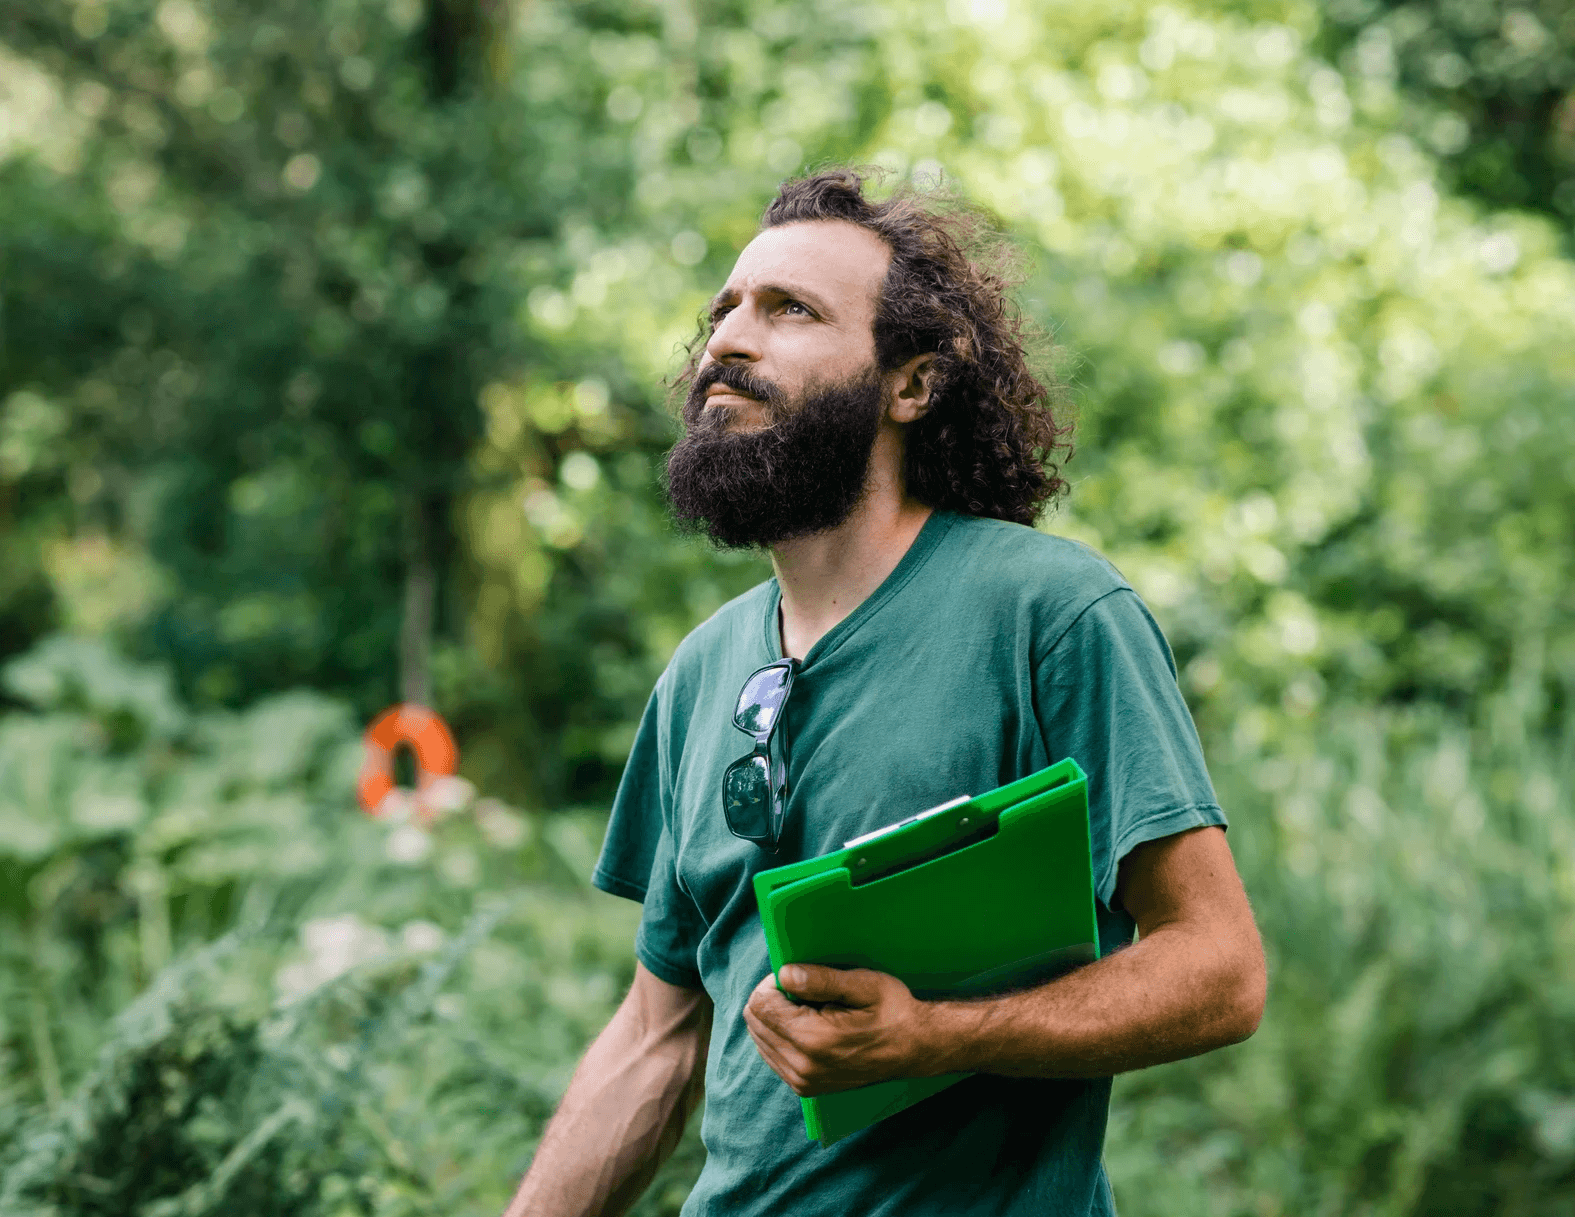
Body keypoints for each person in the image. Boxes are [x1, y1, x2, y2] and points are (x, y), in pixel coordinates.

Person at [502, 167, 1266, 1216]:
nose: (728, 337)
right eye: (724, 307)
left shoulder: (1046, 612)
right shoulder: (699, 674)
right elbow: (655, 1036)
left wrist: (934, 1036)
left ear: (910, 385)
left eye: (790, 310)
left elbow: (1220, 967)